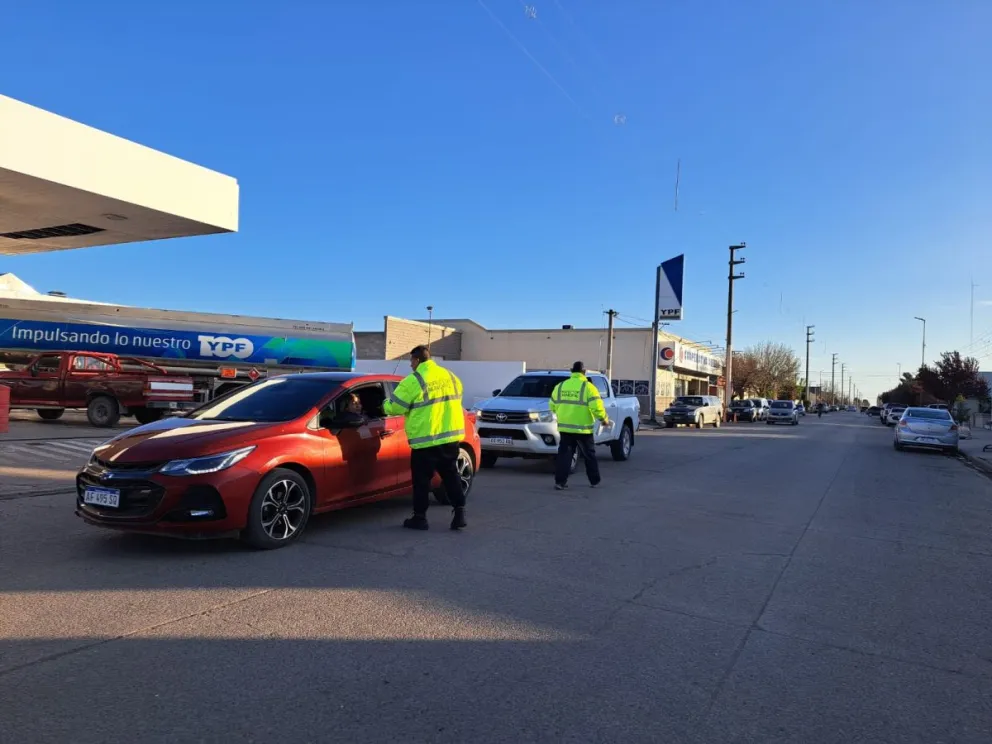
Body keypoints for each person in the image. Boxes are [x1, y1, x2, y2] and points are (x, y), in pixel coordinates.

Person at [382, 345, 467, 531]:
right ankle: (459, 513)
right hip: (449, 438)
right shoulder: (450, 376)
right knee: (451, 475)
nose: (411, 365)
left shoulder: (414, 380)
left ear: (417, 360)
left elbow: (396, 408)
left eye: (411, 361)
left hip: (425, 441)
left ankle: (420, 518)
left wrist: (385, 403)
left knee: (421, 481)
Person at [549, 361, 611, 490]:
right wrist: (604, 419)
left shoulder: (560, 386)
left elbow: (552, 406)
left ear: (572, 371)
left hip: (565, 428)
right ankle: (594, 481)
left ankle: (560, 482)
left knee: (564, 455)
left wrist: (563, 414)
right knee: (589, 455)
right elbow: (597, 408)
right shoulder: (589, 387)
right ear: (584, 372)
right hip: (583, 429)